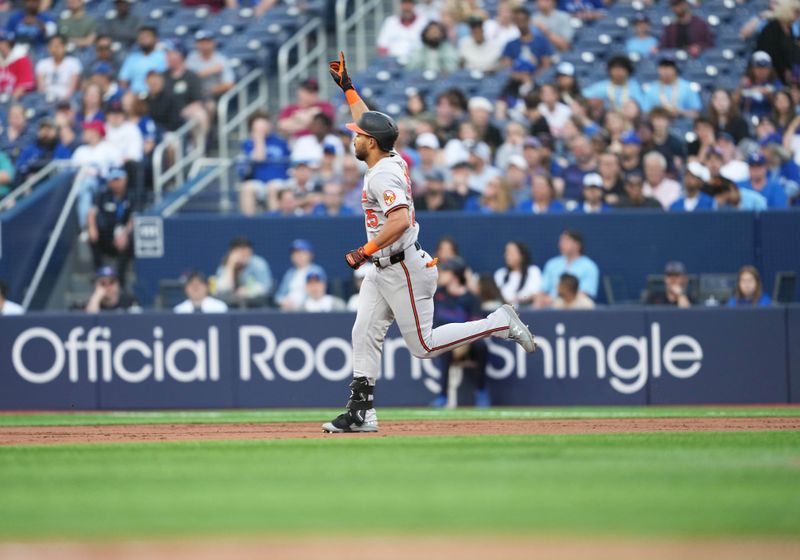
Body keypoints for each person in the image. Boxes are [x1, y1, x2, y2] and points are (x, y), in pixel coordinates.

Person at [322, 51, 536, 433]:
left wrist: (363, 251)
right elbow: (369, 122)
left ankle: (497, 322)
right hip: (386, 267)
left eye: (358, 137)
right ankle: (361, 411)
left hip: (401, 265)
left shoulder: (380, 176)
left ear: (370, 143)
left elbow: (401, 220)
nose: (353, 138)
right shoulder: (389, 157)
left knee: (424, 346)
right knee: (364, 330)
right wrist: (349, 88)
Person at [430, 256, 492, 408]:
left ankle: (481, 391)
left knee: (481, 346)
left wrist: (462, 342)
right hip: (445, 341)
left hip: (467, 343)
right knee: (444, 348)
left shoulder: (471, 298)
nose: (441, 274)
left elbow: (477, 326)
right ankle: (443, 395)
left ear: (455, 275)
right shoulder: (437, 294)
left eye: (445, 271)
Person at [86, 167, 133, 285]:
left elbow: (134, 218)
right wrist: (91, 228)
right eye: (113, 180)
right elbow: (92, 212)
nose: (115, 183)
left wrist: (124, 233)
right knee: (92, 236)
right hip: (106, 234)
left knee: (129, 240)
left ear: (125, 180)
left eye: (118, 179)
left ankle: (120, 279)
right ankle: (100, 272)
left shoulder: (132, 195)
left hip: (124, 235)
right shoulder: (102, 195)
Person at [72, 121, 123, 230]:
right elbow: (72, 171)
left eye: (87, 130)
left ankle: (85, 227)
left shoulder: (109, 148)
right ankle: (84, 226)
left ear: (95, 132)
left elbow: (118, 170)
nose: (84, 133)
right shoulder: (80, 150)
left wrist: (99, 174)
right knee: (83, 188)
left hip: (103, 183)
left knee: (86, 185)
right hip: (81, 184)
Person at [537, 230, 599, 307]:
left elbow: (585, 292)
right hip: (550, 307)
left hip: (576, 306)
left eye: (566, 240)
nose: (561, 244)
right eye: (560, 241)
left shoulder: (589, 266)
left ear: (577, 244)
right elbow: (542, 289)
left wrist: (556, 299)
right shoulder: (552, 264)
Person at [215, 236, 273, 306]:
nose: (244, 255)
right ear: (232, 252)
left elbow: (265, 287)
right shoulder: (225, 265)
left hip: (255, 305)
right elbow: (222, 289)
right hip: (231, 305)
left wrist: (248, 291)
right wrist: (231, 265)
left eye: (247, 252)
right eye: (240, 252)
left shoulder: (258, 264)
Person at [755, 0, 800, 85]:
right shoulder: (772, 28)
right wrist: (784, 69)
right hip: (771, 76)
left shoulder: (790, 29)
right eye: (796, 12)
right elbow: (769, 53)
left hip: (785, 76)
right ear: (787, 10)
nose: (798, 16)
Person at [499, 5, 554, 74]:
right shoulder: (511, 44)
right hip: (516, 80)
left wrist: (533, 78)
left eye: (523, 20)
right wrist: (520, 77)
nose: (521, 24)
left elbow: (546, 66)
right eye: (517, 21)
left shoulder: (542, 41)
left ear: (529, 20)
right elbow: (507, 68)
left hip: (538, 80)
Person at [275, 239, 325, 310]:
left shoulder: (316, 270)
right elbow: (279, 295)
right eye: (294, 253)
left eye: (301, 253)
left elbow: (317, 293)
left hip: (307, 309)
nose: (297, 256)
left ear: (310, 255)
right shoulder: (289, 273)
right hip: (287, 309)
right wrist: (283, 301)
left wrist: (299, 305)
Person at [186, 30, 234, 104]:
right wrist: (208, 71)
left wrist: (208, 91)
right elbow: (186, 79)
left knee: (209, 105)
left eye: (207, 41)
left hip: (216, 96)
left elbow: (229, 84)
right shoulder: (192, 58)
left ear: (213, 43)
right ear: (196, 44)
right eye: (201, 42)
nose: (204, 45)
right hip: (194, 95)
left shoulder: (221, 60)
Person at [118, 26, 167, 94]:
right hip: (135, 95)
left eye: (147, 37)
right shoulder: (132, 58)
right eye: (141, 37)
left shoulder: (163, 56)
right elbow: (123, 80)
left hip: (156, 94)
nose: (143, 39)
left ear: (156, 39)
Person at [493, 241, 541, 307]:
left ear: (522, 255)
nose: (507, 255)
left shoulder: (533, 271)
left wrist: (516, 299)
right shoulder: (500, 274)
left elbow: (535, 293)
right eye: (506, 252)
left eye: (511, 253)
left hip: (526, 311)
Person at [35, 34, 81, 101]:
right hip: (46, 99)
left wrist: (64, 101)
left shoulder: (73, 63)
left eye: (58, 46)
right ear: (49, 48)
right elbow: (41, 89)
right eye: (53, 46)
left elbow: (72, 89)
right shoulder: (42, 64)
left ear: (65, 47)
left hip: (66, 100)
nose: (56, 49)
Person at [0, 30, 34, 97]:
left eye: (1, 42)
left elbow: (23, 87)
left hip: (18, 100)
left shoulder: (21, 58)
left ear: (8, 43)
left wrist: (10, 101)